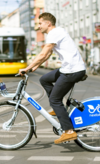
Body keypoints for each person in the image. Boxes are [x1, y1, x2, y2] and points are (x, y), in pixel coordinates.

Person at [19, 12, 86, 144]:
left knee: (54, 100)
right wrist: (36, 66)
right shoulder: (57, 32)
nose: (39, 27)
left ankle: (69, 132)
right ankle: (58, 109)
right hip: (69, 68)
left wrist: (27, 68)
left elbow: (44, 52)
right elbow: (48, 53)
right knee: (44, 79)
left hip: (72, 70)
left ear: (48, 23)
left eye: (40, 23)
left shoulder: (54, 33)